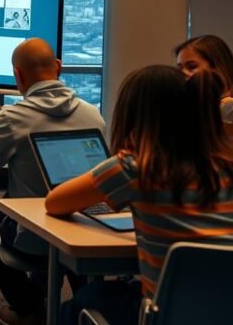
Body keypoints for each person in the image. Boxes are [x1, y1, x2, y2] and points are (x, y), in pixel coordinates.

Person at [47, 67, 233, 325]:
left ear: (132, 116)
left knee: (82, 301)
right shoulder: (226, 165)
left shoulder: (136, 168)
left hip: (163, 314)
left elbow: (55, 202)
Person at [0, 38, 106, 325]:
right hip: (91, 232)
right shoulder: (92, 113)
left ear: (18, 75)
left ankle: (29, 307)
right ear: (58, 67)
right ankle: (90, 308)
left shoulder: (14, 117)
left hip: (35, 241)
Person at [174, 34, 233, 124]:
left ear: (217, 68)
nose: (183, 73)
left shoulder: (228, 108)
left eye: (192, 67)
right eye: (180, 68)